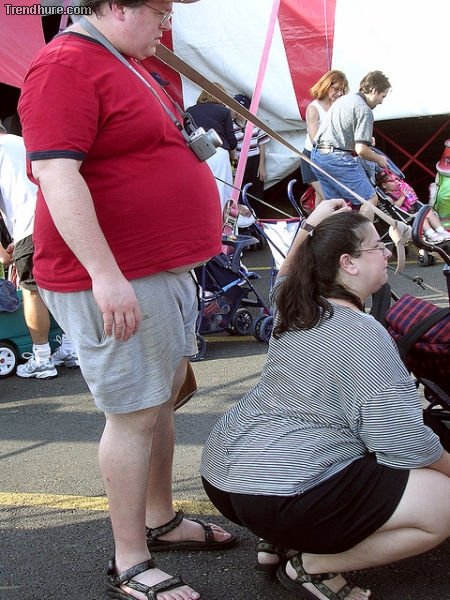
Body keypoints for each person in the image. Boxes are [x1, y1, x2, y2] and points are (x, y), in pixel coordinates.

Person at [18, 1, 235, 599]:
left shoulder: (126, 59)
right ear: (116, 6)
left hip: (156, 269)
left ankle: (159, 520)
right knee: (135, 413)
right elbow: (58, 175)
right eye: (160, 12)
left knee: (159, 401)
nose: (167, 24)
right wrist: (105, 274)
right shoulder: (65, 65)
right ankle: (130, 560)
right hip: (119, 274)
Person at [200, 199, 450, 600]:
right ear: (348, 263)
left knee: (338, 443)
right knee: (442, 504)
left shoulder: (294, 303)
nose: (387, 253)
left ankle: (280, 540)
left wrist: (311, 225)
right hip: (282, 493)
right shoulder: (363, 333)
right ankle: (312, 565)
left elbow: (287, 271)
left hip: (223, 475)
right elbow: (402, 443)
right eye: (377, 246)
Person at [0, 122, 78, 378]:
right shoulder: (24, 142)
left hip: (29, 225)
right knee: (66, 285)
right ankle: (72, 348)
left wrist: (3, 254)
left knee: (32, 291)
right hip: (61, 218)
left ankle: (42, 358)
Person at [312, 70, 391, 218]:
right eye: (382, 96)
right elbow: (361, 150)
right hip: (336, 158)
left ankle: (334, 233)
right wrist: (379, 159)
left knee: (336, 206)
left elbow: (339, 131)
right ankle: (364, 233)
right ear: (374, 90)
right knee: (369, 200)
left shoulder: (344, 100)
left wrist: (365, 139)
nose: (381, 102)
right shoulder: (364, 110)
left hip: (318, 155)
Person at [300, 70, 349, 206]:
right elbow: (315, 139)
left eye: (342, 90)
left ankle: (315, 220)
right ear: (327, 86)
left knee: (322, 201)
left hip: (328, 158)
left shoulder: (337, 106)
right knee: (330, 199)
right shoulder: (314, 108)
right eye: (336, 89)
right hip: (312, 158)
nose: (339, 93)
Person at [186, 85, 237, 212]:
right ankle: (219, 219)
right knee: (220, 190)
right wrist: (233, 154)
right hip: (218, 153)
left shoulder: (190, 111)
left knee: (198, 188)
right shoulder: (224, 111)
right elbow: (231, 139)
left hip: (197, 153)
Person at [376, 167, 450, 243]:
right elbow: (394, 207)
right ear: (384, 185)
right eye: (392, 181)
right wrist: (403, 196)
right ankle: (430, 234)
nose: (396, 182)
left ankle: (441, 231)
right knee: (421, 217)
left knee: (428, 211)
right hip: (405, 217)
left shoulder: (401, 189)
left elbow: (413, 201)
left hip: (413, 210)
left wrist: (411, 193)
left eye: (397, 179)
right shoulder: (388, 196)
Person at [232, 93, 270, 206]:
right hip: (239, 162)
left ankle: (256, 214)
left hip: (254, 160)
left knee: (256, 192)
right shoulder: (231, 126)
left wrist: (261, 165)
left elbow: (261, 144)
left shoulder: (254, 123)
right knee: (240, 190)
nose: (235, 111)